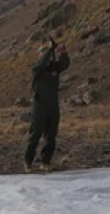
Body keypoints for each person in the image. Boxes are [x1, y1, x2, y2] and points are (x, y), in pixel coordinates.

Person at [24, 38, 70, 172]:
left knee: (51, 136)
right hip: (40, 106)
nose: (47, 56)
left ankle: (45, 161)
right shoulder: (37, 68)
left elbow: (65, 64)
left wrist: (63, 52)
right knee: (35, 134)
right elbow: (42, 62)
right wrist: (49, 50)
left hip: (53, 106)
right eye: (44, 53)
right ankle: (28, 162)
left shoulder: (54, 68)